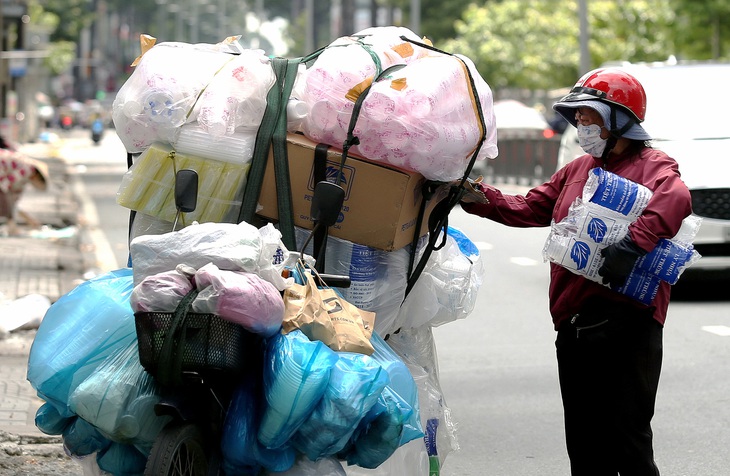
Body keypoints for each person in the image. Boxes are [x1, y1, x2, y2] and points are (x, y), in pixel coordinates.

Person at [460, 68, 692, 475]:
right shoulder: (577, 169)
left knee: (629, 441)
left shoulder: (654, 165)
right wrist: (475, 196)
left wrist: (634, 242)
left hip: (628, 324)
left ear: (618, 119)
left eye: (589, 116)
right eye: (578, 118)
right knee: (584, 444)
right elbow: (531, 207)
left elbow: (676, 199)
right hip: (573, 325)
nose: (581, 126)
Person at [0, 139, 49, 236]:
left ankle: (11, 225)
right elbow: (5, 186)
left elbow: (14, 201)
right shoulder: (27, 168)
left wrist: (29, 219)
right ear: (37, 176)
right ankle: (10, 226)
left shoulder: (24, 178)